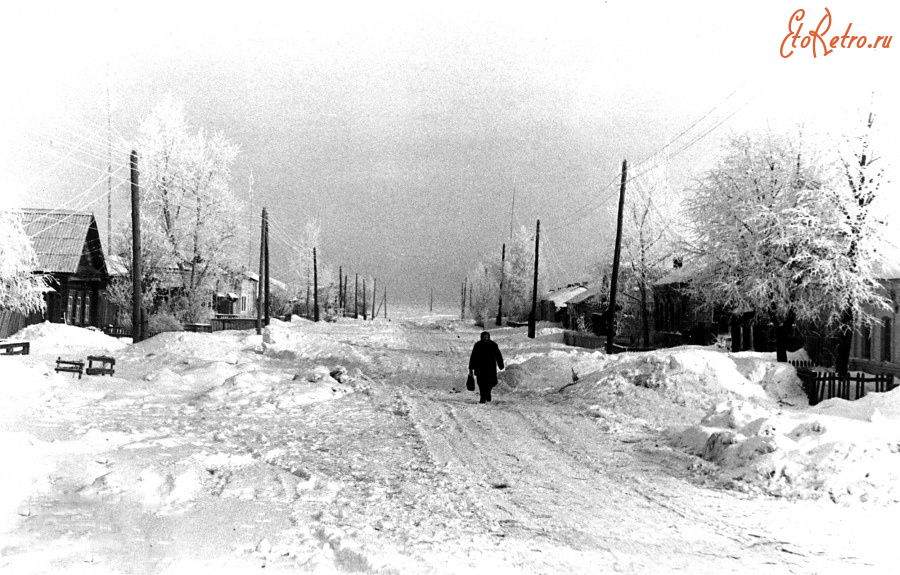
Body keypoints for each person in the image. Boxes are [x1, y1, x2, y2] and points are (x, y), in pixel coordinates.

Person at [468, 331, 504, 404]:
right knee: (481, 383)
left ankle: (488, 393)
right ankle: (482, 397)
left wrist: (501, 365)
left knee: (491, 382)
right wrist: (471, 368)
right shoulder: (477, 345)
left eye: (486, 337)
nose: (485, 338)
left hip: (490, 368)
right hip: (480, 368)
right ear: (481, 337)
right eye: (484, 337)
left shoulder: (493, 345)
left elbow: (498, 355)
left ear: (489, 337)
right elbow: (473, 357)